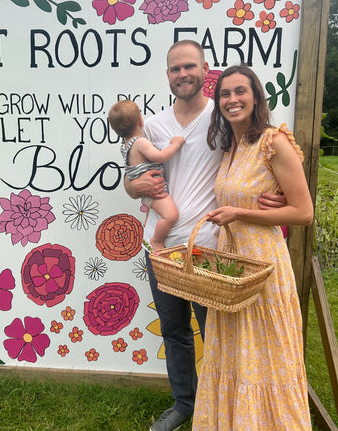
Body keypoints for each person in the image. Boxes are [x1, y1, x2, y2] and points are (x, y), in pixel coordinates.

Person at [124, 41, 286, 431]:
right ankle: (184, 404)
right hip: (160, 247)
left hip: (209, 247)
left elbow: (258, 153)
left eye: (189, 66)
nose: (183, 74)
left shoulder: (224, 116)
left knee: (216, 333)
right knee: (174, 329)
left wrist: (277, 189)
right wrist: (133, 190)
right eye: (175, 68)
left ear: (204, 69)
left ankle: (219, 406)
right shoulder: (154, 126)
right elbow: (132, 180)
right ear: (167, 75)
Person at [190, 64, 313, 430]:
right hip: (232, 265)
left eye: (240, 91)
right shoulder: (231, 145)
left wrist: (241, 212)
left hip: (262, 264)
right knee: (235, 351)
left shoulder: (273, 142)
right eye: (225, 94)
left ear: (256, 96)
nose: (232, 100)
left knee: (265, 352)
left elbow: (304, 212)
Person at [108, 99, 185, 250]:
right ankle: (156, 240)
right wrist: (176, 144)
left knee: (158, 212)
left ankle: (148, 222)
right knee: (171, 216)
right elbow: (160, 157)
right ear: (141, 121)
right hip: (154, 192)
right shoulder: (140, 142)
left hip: (148, 192)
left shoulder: (126, 144)